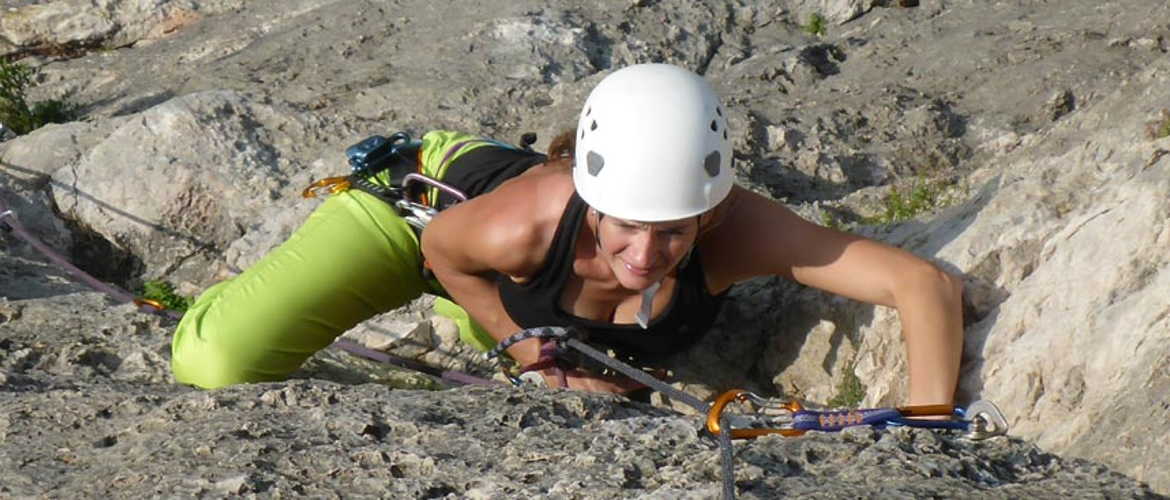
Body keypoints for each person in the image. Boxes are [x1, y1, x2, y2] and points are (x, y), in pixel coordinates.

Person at [171, 63, 963, 407]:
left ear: (709, 213)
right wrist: (529, 353)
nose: (645, 256)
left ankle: (478, 312)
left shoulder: (734, 228)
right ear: (592, 200)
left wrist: (932, 426)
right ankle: (231, 301)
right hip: (418, 224)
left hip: (495, 262)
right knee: (216, 363)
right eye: (625, 227)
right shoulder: (531, 221)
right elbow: (446, 248)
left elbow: (918, 285)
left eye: (672, 233)